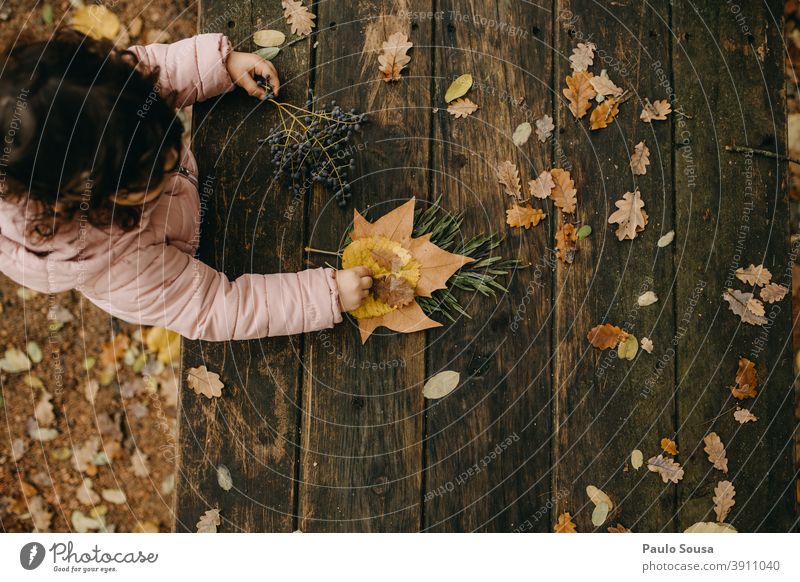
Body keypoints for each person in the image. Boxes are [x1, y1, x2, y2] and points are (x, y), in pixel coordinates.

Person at [0, 31, 371, 341]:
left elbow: (155, 73)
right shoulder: (124, 269)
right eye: (151, 174)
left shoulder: (100, 99)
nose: (174, 154)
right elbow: (215, 308)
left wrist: (219, 64)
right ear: (91, 199)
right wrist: (325, 296)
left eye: (168, 137)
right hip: (180, 252)